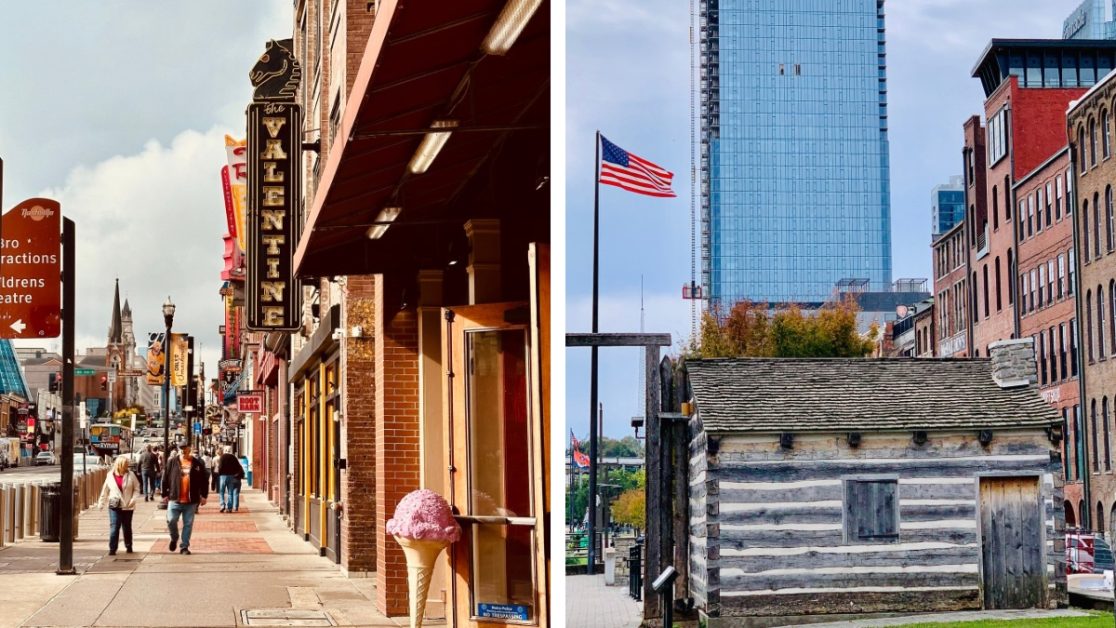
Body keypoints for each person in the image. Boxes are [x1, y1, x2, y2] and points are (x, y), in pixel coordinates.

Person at [161, 443, 208, 555]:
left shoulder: (197, 463)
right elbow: (165, 478)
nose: (183, 451)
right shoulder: (172, 462)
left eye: (185, 449)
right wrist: (164, 494)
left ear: (189, 449)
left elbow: (204, 480)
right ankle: (174, 537)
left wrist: (204, 495)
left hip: (191, 500)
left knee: (188, 524)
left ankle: (184, 547)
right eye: (181, 449)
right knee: (171, 520)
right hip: (174, 498)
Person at [97, 455, 140, 555]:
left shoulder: (131, 475)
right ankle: (112, 548)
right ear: (120, 465)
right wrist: (101, 502)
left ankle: (128, 545)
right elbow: (105, 489)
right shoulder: (110, 475)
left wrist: (133, 500)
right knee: (114, 526)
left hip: (128, 505)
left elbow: (137, 488)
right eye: (125, 464)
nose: (127, 466)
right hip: (115, 505)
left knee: (127, 527)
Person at [217, 446, 245, 513]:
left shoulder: (222, 457)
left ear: (224, 450)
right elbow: (237, 467)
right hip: (231, 476)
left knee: (221, 492)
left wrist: (220, 473)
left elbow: (220, 467)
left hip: (223, 476)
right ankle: (229, 507)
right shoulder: (233, 458)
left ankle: (222, 505)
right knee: (230, 493)